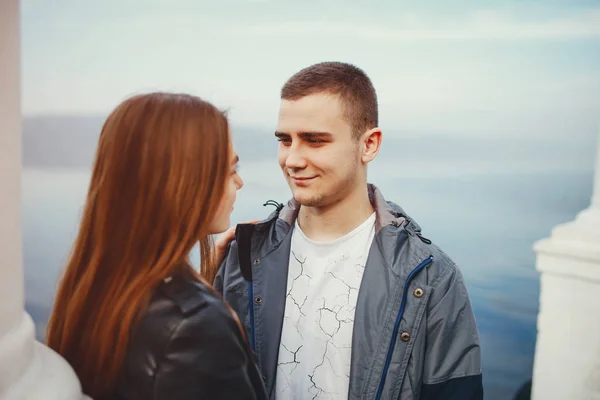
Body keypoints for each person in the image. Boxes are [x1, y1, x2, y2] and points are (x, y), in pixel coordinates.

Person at [215, 62, 483, 400]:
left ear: (369, 145)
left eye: (314, 141)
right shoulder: (243, 256)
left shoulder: (430, 278)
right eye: (285, 140)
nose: (292, 159)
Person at [46, 92, 267, 400]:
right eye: (231, 169)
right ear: (187, 180)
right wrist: (206, 307)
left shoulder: (94, 286)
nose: (239, 182)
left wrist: (201, 283)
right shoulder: (197, 328)